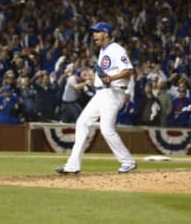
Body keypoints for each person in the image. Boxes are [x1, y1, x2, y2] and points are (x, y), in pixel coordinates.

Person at [56, 22, 137, 174]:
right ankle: (73, 165)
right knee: (82, 122)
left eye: (97, 32)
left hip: (113, 93)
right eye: (93, 32)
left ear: (106, 33)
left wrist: (111, 79)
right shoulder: (103, 50)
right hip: (101, 93)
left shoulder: (116, 49)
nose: (94, 35)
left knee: (106, 129)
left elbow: (128, 70)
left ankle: (128, 161)